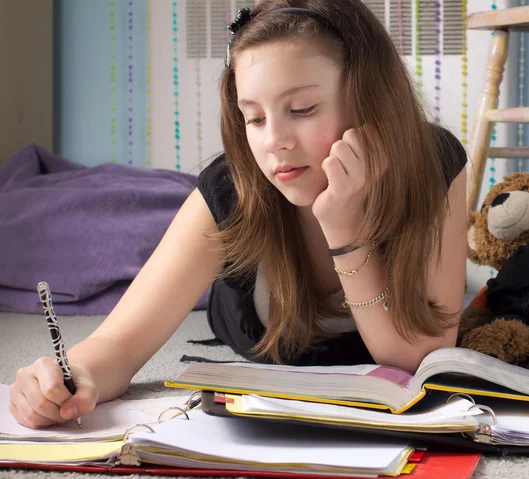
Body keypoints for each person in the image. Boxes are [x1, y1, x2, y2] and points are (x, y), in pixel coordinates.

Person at [9, 0, 467, 429]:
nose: (275, 142)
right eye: (255, 118)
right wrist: (71, 377)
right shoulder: (233, 188)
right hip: (243, 305)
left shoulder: (434, 164)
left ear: (370, 99)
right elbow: (117, 345)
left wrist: (344, 229)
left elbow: (419, 364)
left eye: (302, 109)